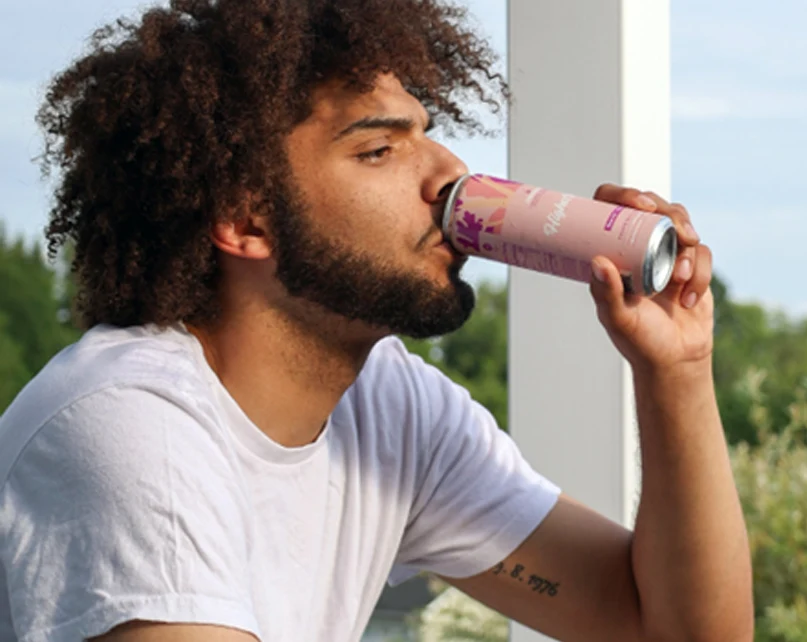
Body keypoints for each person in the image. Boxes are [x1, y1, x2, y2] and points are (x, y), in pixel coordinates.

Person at [0, 0, 753, 640]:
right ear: (246, 219)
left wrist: (677, 374)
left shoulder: (393, 411)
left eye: (426, 131)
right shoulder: (129, 427)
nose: (448, 173)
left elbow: (678, 630)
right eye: (378, 150)